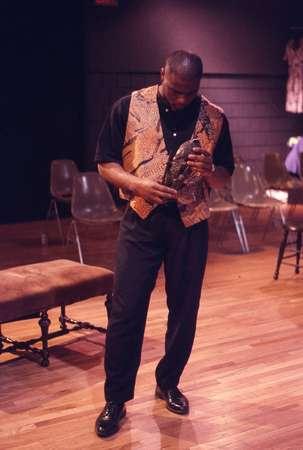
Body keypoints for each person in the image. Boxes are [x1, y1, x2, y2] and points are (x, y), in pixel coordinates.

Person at [94, 50, 234, 438]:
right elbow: (104, 162)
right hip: (140, 220)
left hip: (190, 225)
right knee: (126, 311)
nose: (181, 99)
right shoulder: (128, 106)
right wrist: (136, 183)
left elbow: (226, 176)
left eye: (189, 93)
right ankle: (116, 398)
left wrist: (211, 173)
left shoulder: (216, 117)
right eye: (174, 90)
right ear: (162, 75)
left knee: (184, 310)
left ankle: (168, 381)